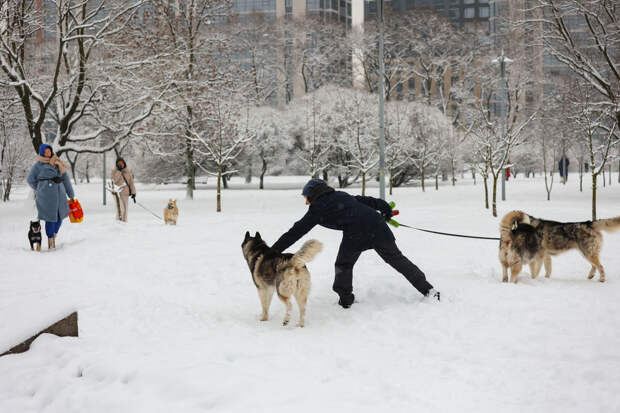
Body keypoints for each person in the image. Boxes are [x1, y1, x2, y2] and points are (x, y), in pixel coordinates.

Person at [271, 179, 440, 308]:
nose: (307, 203)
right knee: (398, 260)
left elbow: (297, 230)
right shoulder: (340, 195)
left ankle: (345, 299)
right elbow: (365, 200)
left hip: (356, 233)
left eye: (307, 199)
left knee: (343, 264)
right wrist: (385, 208)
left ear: (312, 194)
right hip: (377, 225)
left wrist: (274, 251)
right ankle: (428, 290)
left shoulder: (318, 207)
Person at [27, 144, 75, 250]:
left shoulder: (58, 162)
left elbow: (66, 179)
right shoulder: (38, 165)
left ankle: (54, 234)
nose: (48, 153)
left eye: (49, 151)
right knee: (50, 219)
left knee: (59, 217)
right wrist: (40, 188)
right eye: (46, 151)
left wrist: (71, 194)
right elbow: (30, 180)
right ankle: (50, 240)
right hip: (46, 197)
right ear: (42, 152)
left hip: (60, 194)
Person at [110, 157, 137, 222]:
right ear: (117, 164)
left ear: (124, 163)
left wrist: (133, 193)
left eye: (121, 163)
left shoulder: (127, 171)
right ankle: (118, 222)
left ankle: (124, 222)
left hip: (125, 194)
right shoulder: (114, 171)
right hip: (117, 194)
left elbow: (131, 183)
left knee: (125, 209)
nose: (120, 164)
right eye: (119, 163)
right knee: (120, 209)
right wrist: (119, 171)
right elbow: (114, 180)